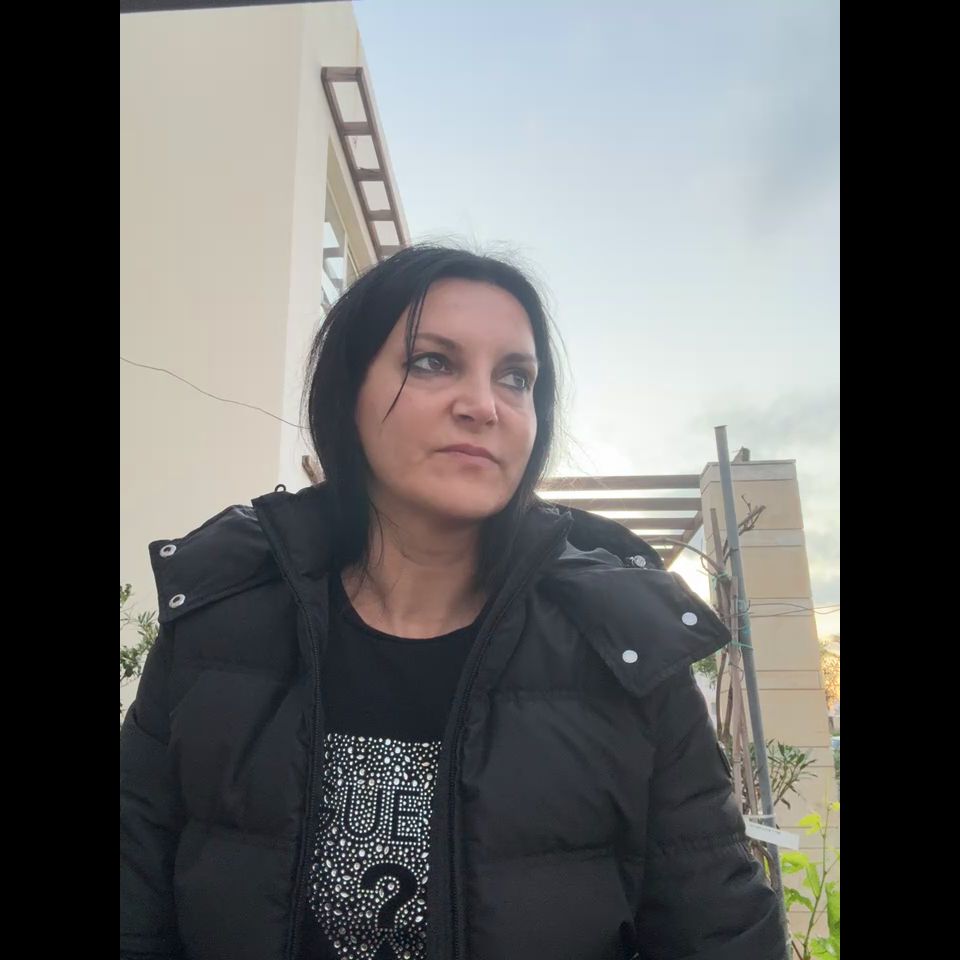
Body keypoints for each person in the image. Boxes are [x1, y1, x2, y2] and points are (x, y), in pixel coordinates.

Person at [120, 245, 786, 960]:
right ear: (348, 390)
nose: (484, 406)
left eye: (516, 378)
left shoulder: (625, 652)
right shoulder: (216, 629)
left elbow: (722, 935)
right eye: (433, 362)